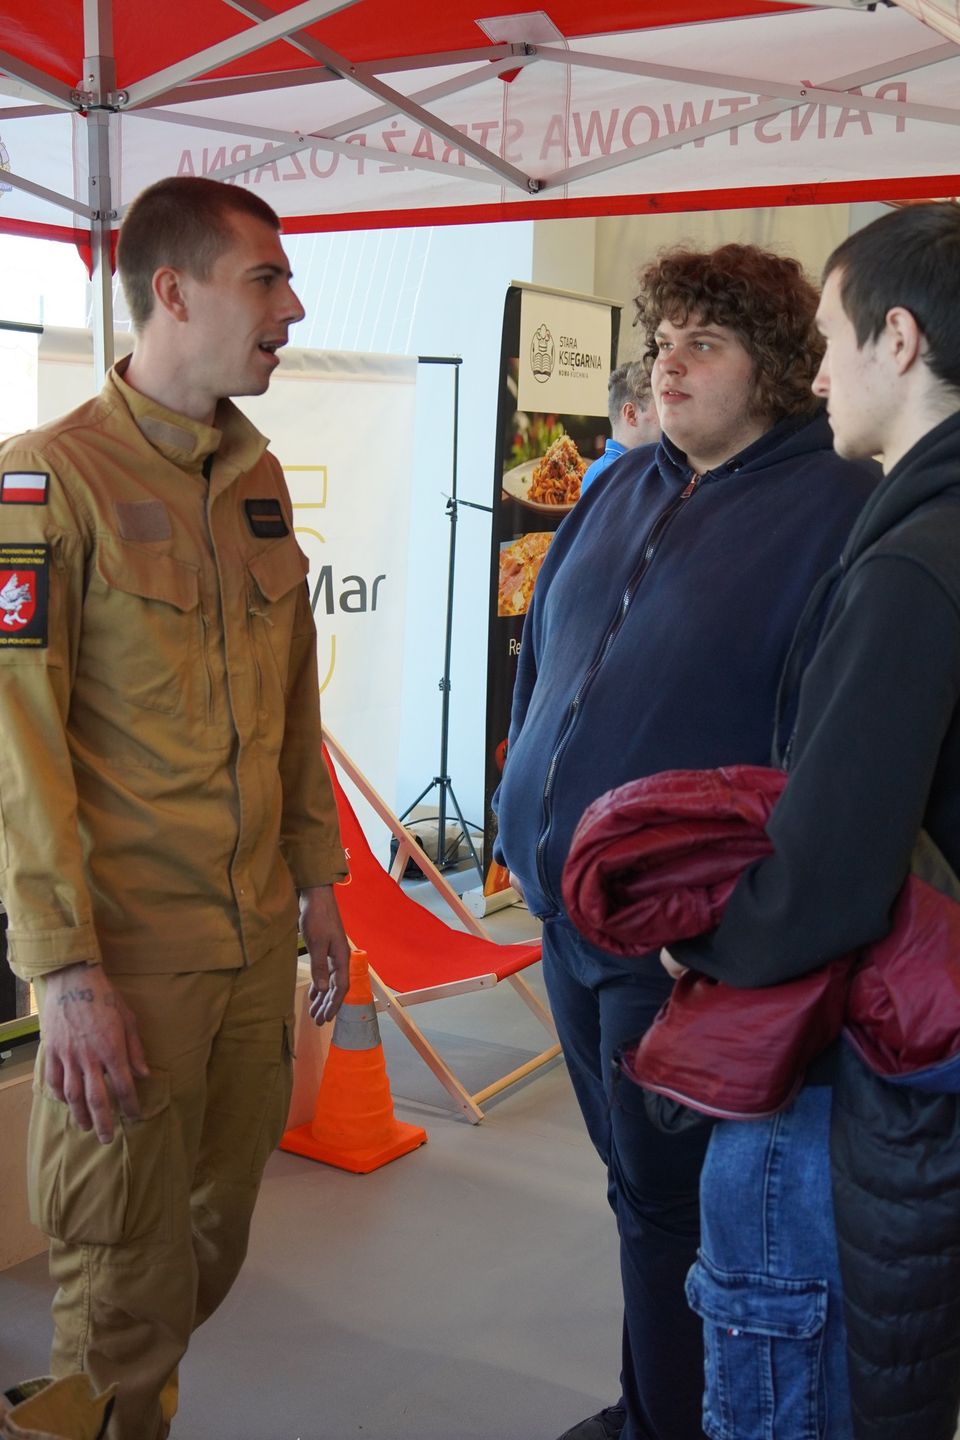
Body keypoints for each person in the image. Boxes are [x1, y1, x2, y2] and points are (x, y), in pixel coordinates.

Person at [492, 242, 877, 1440]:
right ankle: (646, 1405)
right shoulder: (621, 482)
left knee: (675, 1208)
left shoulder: (842, 511)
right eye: (662, 343)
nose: (669, 366)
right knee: (634, 1195)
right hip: (567, 919)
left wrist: (737, 924)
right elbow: (544, 666)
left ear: (778, 369)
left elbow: (832, 754)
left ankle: (671, 1422)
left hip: (684, 944)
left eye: (702, 345)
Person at [0, 175, 349, 1440]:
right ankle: (98, 1411)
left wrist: (319, 882)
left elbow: (294, 703)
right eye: (267, 278)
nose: (291, 309)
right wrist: (67, 971)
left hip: (255, 938)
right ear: (173, 290)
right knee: (119, 1257)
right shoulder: (47, 483)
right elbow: (15, 753)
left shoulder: (254, 483)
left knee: (210, 1234)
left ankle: (107, 1394)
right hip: (131, 958)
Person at [666, 202, 960, 1440]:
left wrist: (705, 942)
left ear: (900, 340)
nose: (819, 371)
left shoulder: (914, 559)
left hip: (863, 1071)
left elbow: (830, 868)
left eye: (834, 338)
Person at [580, 361, 660, 496]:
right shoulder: (610, 476)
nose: (670, 415)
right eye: (660, 406)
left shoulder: (625, 470)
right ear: (631, 414)